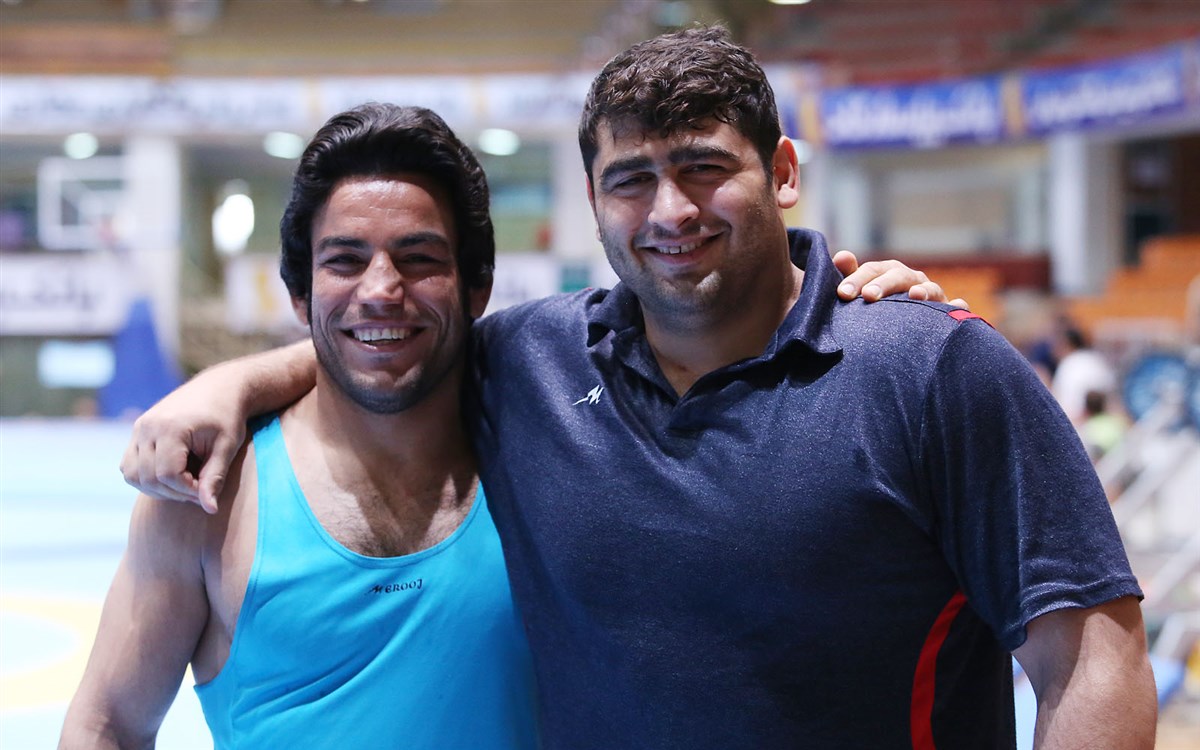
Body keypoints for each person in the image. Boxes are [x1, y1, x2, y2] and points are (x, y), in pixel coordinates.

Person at [118, 26, 1157, 748]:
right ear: (593, 200)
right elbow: (388, 337)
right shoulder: (532, 362)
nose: (671, 211)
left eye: (704, 167)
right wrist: (226, 385)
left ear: (782, 173)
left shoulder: (930, 369)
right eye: (632, 180)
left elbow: (1092, 665)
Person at [59, 105, 539, 749]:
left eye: (419, 257)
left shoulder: (548, 457)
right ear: (300, 294)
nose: (381, 289)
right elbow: (107, 726)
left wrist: (237, 377)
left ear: (477, 287)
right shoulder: (208, 498)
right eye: (345, 260)